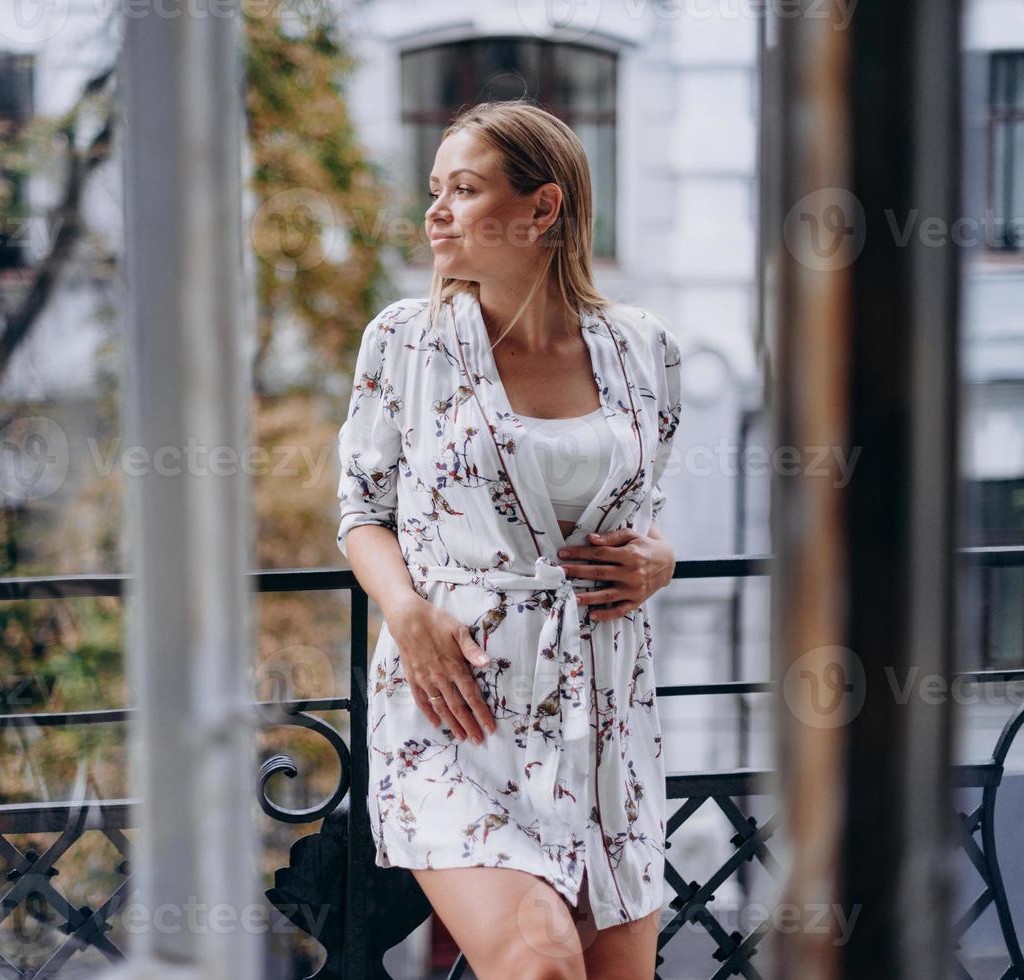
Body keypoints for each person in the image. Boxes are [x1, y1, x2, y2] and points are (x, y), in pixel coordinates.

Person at [335, 99, 684, 980]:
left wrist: (661, 558)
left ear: (543, 207)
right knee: (540, 967)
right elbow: (360, 509)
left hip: (606, 711)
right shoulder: (405, 342)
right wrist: (405, 610)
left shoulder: (642, 348)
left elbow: (642, 510)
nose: (435, 212)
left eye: (464, 189)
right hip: (460, 704)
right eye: (434, 190)